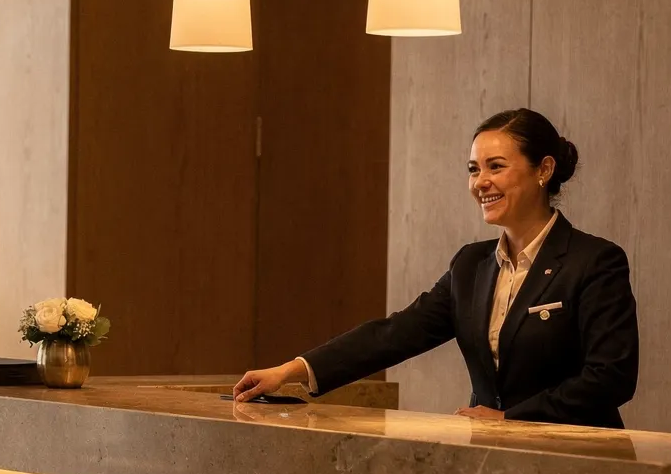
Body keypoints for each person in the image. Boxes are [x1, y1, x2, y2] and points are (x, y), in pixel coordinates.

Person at [234, 107, 639, 428]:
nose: (481, 182)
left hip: (581, 460)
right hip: (491, 461)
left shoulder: (594, 261)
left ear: (544, 170)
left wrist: (511, 419)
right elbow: (395, 334)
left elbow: (610, 377)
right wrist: (291, 370)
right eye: (473, 169)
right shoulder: (471, 265)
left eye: (496, 166)